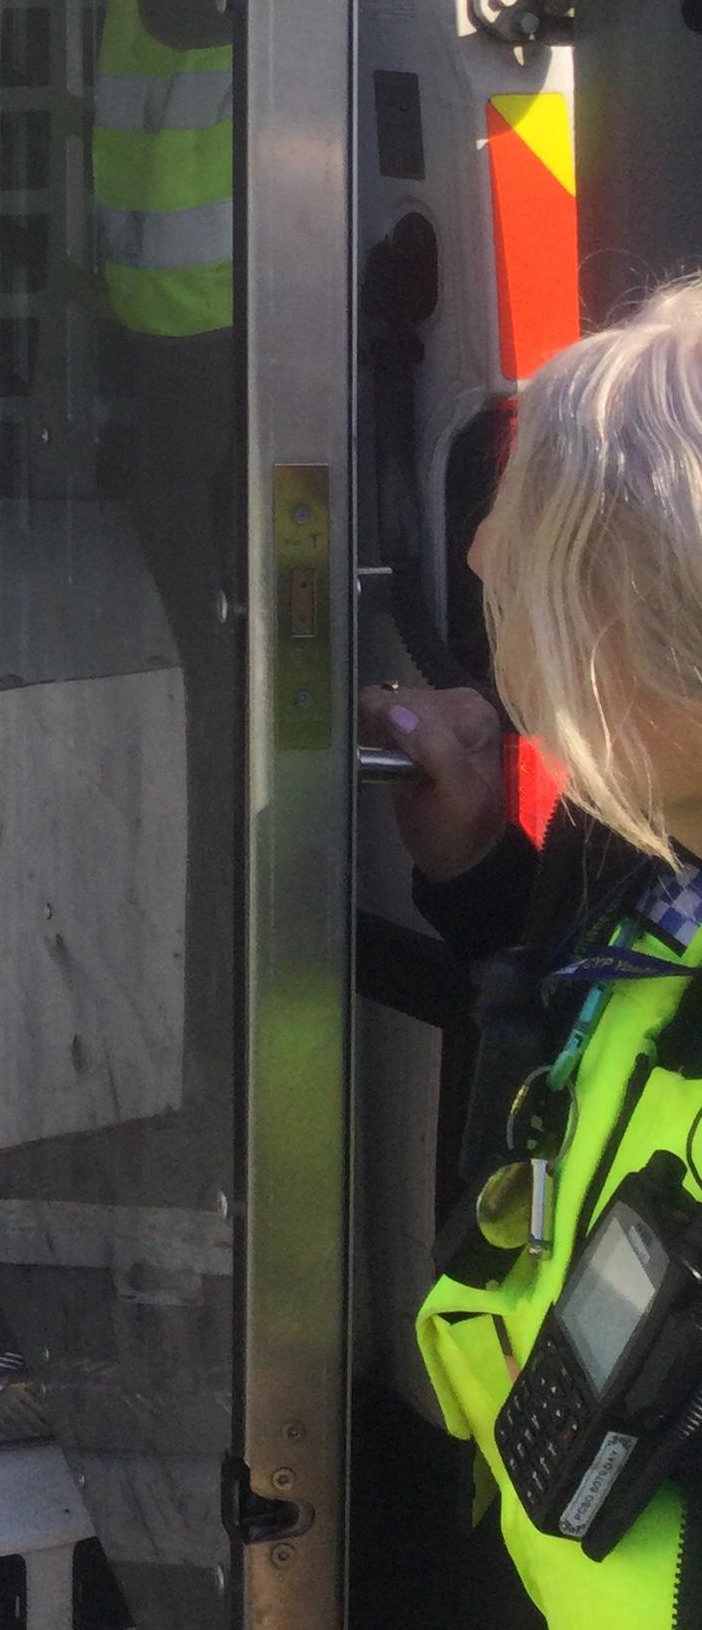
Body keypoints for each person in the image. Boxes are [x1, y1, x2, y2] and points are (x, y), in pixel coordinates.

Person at [371, 278, 702, 1623]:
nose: (480, 552)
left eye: (550, 535)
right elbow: (589, 1037)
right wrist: (473, 871)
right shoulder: (642, 844)